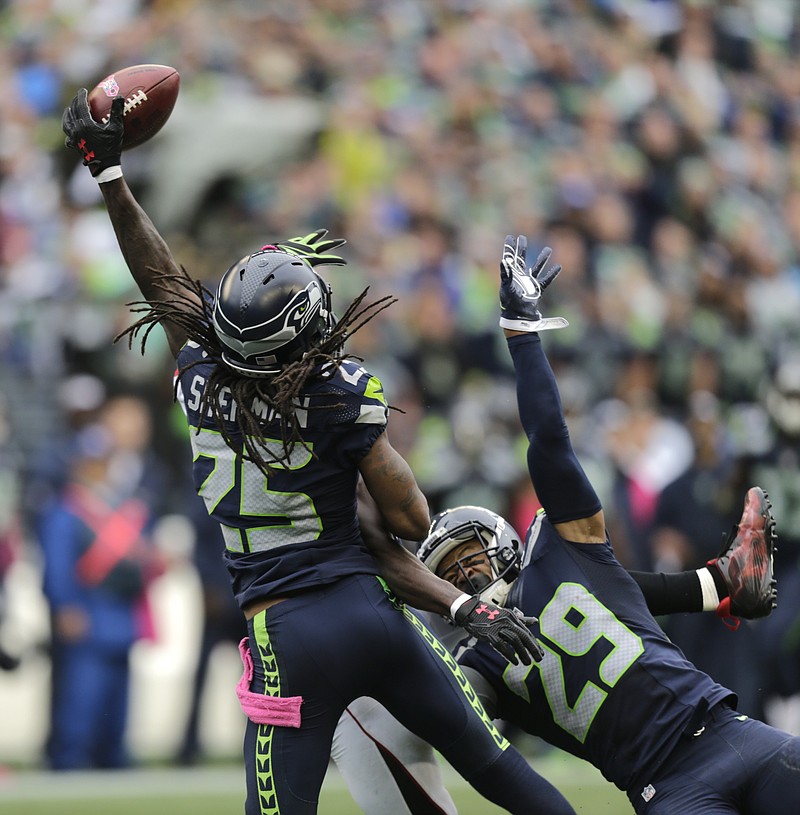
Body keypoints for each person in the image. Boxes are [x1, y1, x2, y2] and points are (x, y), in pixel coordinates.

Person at [62, 90, 578, 815]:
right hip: (370, 612)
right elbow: (407, 520)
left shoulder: (198, 374)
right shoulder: (339, 396)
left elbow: (163, 282)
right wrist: (458, 596)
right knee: (502, 775)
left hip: (285, 634)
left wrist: (110, 176)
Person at [329, 235, 798, 815]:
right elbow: (443, 713)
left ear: (504, 543)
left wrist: (524, 338)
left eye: (470, 554)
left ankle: (721, 586)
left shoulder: (560, 549)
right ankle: (721, 586)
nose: (469, 573)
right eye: (451, 571)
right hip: (668, 786)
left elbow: (550, 445)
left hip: (736, 733)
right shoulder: (481, 664)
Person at [39, 397, 164, 770]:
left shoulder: (124, 506)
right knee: (81, 699)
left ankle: (113, 757)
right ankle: (71, 760)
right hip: (88, 613)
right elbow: (59, 567)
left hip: (120, 614)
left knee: (117, 700)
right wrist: (66, 606)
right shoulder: (68, 510)